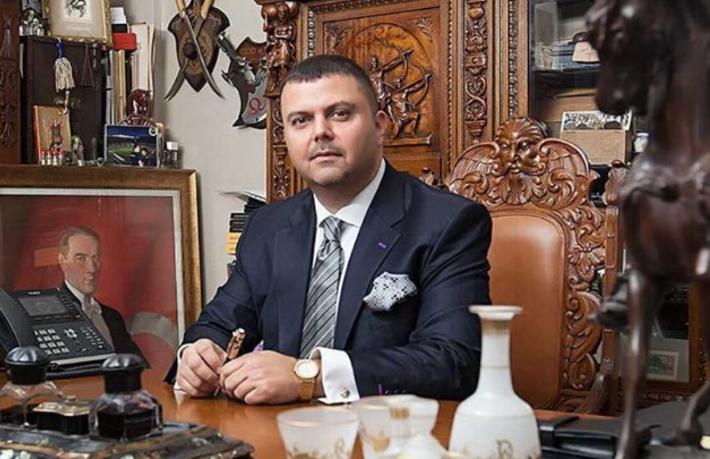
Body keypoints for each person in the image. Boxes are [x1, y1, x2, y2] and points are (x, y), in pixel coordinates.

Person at [168, 54, 491, 404]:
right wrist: (197, 356)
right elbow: (218, 325)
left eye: (339, 114)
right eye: (301, 120)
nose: (320, 132)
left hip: (388, 431)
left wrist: (310, 376)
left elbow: (454, 360)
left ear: (380, 126)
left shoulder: (446, 222)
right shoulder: (267, 227)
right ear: (286, 137)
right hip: (276, 429)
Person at [57, 226, 144, 359]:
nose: (92, 268)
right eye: (80, 258)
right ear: (62, 261)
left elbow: (138, 364)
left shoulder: (112, 317)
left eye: (95, 258)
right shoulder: (53, 315)